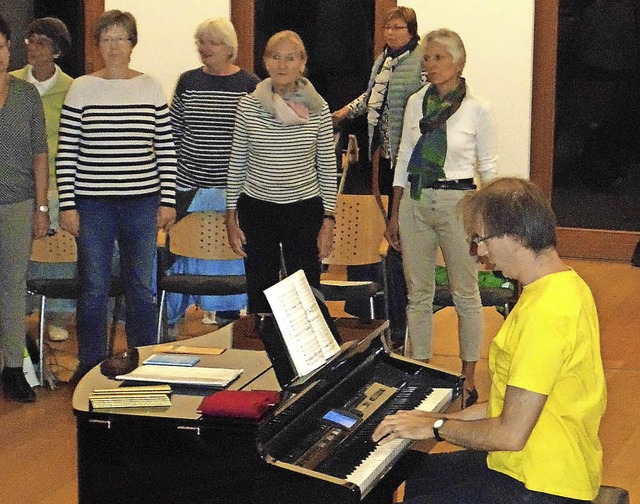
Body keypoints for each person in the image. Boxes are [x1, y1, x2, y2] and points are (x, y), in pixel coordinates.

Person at [373, 177, 606, 504]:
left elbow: (510, 434)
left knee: (424, 493)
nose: (478, 250)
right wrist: (428, 420)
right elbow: (503, 408)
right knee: (419, 473)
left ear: (514, 237)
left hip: (543, 483)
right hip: (540, 460)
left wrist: (437, 426)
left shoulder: (546, 313)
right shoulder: (564, 285)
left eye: (481, 239)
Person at [56, 10, 177, 379]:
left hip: (142, 202)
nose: (113, 46)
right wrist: (68, 204)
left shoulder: (151, 87)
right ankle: (90, 363)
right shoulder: (81, 88)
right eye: (106, 39)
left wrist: (168, 199)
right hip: (92, 205)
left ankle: (146, 361)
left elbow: (166, 148)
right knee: (93, 288)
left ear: (132, 44)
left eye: (120, 38)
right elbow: (67, 151)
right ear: (98, 45)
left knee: (142, 287)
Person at [387, 29, 498, 405]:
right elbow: (403, 158)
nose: (431, 65)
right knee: (418, 294)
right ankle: (420, 372)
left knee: (466, 295)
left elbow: (490, 168)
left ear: (459, 62)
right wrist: (393, 212)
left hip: (460, 204)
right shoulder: (417, 102)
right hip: (416, 200)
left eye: (439, 58)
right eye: (428, 59)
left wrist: (487, 223)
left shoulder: (478, 107)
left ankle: (466, 379)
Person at [332, 6, 426, 347]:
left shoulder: (420, 62)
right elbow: (372, 99)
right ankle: (372, 314)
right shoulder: (384, 60)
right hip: (383, 157)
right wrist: (343, 113)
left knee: (398, 234)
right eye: (387, 28)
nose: (390, 33)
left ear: (412, 31)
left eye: (398, 28)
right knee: (382, 226)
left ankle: (402, 322)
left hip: (409, 159)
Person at [225, 30, 336, 313]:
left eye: (290, 58)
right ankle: (261, 354)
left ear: (302, 62)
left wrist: (329, 219)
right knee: (260, 291)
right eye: (275, 57)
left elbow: (326, 164)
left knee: (307, 293)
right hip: (257, 208)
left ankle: (308, 356)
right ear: (265, 61)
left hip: (304, 209)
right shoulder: (248, 106)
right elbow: (237, 161)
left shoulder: (319, 108)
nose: (282, 65)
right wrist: (230, 215)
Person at [166, 17, 259, 333]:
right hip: (188, 186)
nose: (204, 48)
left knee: (232, 254)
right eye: (201, 42)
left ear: (229, 48)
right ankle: (170, 319)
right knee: (176, 251)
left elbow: (257, 139)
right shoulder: (188, 81)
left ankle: (229, 318)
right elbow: (173, 133)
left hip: (233, 191)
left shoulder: (250, 85)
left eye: (212, 43)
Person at [11, 17, 74, 342]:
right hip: (18, 184)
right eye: (29, 40)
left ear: (57, 51)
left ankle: (57, 314)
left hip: (58, 184)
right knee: (18, 253)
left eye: (41, 43)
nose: (32, 48)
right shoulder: (11, 83)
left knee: (58, 249)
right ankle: (16, 316)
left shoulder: (72, 88)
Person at [0, 15, 49, 402]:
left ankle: (13, 368)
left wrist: (42, 206)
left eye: (1, 46)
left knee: (14, 287)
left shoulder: (25, 95)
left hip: (18, 203)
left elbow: (39, 154)